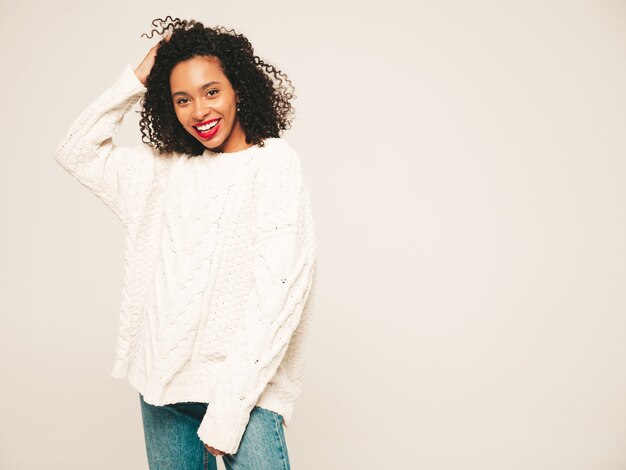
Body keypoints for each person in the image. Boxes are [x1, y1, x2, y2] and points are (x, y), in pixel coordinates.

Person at [54, 16, 317, 470]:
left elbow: (278, 297)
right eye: (182, 98)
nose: (199, 111)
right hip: (163, 388)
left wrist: (230, 409)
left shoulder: (273, 165)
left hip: (245, 392)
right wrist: (135, 79)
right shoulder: (162, 172)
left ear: (239, 88)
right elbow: (74, 151)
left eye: (211, 91)